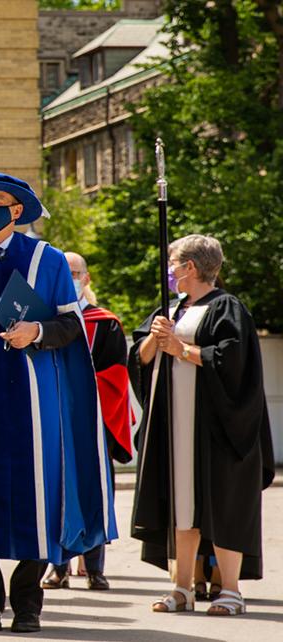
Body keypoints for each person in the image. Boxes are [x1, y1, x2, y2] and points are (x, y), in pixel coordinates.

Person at [0, 171, 114, 634]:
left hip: (36, 404)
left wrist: (36, 332)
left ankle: (29, 604)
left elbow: (71, 327)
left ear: (17, 210)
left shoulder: (48, 261)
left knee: (41, 497)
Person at [131, 234, 274, 617]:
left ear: (190, 268)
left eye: (173, 263)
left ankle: (230, 590)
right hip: (176, 428)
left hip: (217, 430)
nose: (170, 270)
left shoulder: (227, 308)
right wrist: (155, 340)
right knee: (181, 504)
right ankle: (182, 587)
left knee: (224, 505)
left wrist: (183, 350)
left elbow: (234, 363)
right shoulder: (172, 309)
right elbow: (141, 356)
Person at [41, 252, 138, 592]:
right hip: (53, 419)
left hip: (95, 422)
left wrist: (76, 387)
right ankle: (58, 567)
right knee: (55, 491)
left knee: (96, 491)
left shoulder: (105, 322)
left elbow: (115, 377)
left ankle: (95, 567)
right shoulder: (44, 321)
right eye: (64, 272)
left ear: (87, 277)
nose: (71, 277)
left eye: (76, 272)